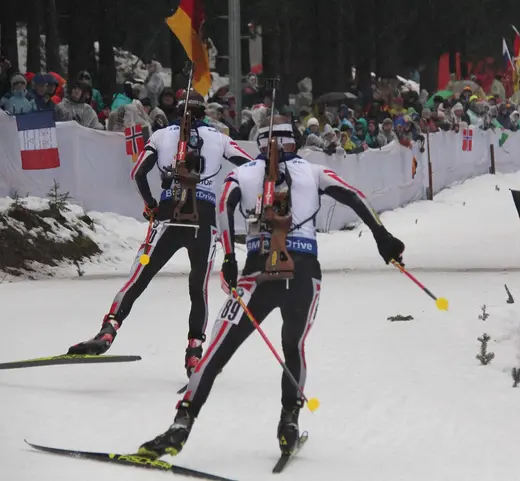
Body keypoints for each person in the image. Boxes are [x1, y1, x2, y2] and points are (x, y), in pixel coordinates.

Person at [137, 116, 405, 459]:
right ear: (294, 141)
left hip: (257, 273)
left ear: (260, 143)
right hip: (305, 273)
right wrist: (382, 237)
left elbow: (224, 206)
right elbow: (354, 196)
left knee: (218, 350)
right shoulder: (314, 171)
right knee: (293, 345)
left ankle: (181, 425)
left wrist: (230, 258)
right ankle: (289, 420)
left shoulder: (245, 172)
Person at [67, 90, 253, 378]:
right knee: (198, 285)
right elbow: (249, 165)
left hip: (168, 218)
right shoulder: (219, 138)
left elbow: (138, 174)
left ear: (178, 113)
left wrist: (151, 205)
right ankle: (194, 351)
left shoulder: (163, 135)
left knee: (140, 273)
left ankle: (109, 328)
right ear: (204, 114)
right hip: (203, 222)